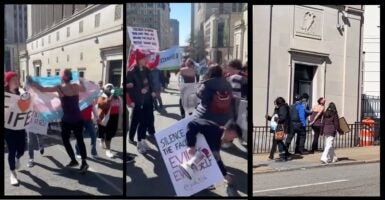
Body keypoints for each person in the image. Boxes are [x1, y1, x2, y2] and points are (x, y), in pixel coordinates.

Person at [28, 69, 89, 173]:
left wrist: (32, 82)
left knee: (65, 140)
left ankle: (74, 160)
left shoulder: (60, 88)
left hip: (67, 120)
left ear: (62, 77)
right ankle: (83, 162)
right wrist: (81, 80)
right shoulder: (76, 86)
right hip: (78, 118)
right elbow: (84, 88)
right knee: (80, 140)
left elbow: (42, 89)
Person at [186, 119, 242, 196]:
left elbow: (217, 159)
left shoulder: (218, 139)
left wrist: (224, 174)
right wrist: (191, 145)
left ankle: (194, 188)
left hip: (195, 158)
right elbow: (192, 123)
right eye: (233, 136)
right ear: (228, 130)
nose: (232, 140)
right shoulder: (213, 128)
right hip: (187, 149)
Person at [126, 49, 157, 154]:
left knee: (146, 121)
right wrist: (138, 91)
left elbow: (150, 83)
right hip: (138, 101)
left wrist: (151, 91)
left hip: (148, 100)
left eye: (146, 58)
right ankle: (139, 143)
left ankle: (143, 140)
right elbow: (128, 87)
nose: (146, 60)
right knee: (138, 121)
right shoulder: (131, 71)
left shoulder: (147, 70)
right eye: (144, 58)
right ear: (139, 59)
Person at [4, 72, 28, 185]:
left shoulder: (22, 93)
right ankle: (13, 173)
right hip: (8, 128)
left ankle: (19, 158)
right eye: (14, 79)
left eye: (17, 79)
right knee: (11, 150)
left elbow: (27, 108)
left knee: (22, 149)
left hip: (20, 126)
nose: (16, 81)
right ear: (8, 82)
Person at [97, 84, 123, 158]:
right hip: (105, 117)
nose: (111, 89)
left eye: (112, 88)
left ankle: (103, 141)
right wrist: (111, 96)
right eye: (108, 88)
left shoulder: (118, 97)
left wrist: (119, 92)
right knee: (105, 133)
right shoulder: (103, 96)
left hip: (115, 117)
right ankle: (108, 150)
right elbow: (103, 105)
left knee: (111, 132)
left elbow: (121, 106)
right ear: (105, 89)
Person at [266, 97, 290, 161]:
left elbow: (281, 118)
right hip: (278, 126)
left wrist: (274, 118)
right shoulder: (279, 108)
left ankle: (282, 156)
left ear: (279, 103)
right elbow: (276, 117)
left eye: (276, 103)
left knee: (279, 142)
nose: (275, 105)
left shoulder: (283, 108)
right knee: (276, 141)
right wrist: (269, 118)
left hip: (280, 127)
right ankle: (275, 155)